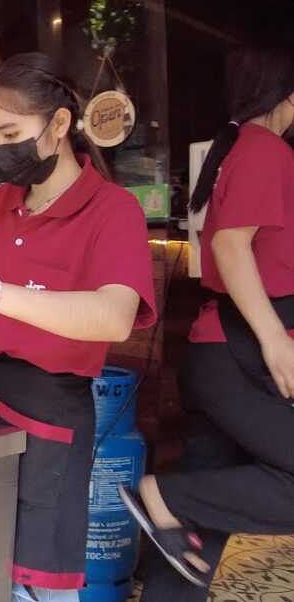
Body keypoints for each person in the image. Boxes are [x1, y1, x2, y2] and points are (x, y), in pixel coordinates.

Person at [0, 53, 157, 602]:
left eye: (11, 132)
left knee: (37, 580)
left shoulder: (113, 210)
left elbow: (112, 316)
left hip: (52, 409)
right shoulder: (6, 202)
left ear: (60, 125)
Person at [127, 45, 294, 598]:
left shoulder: (240, 149)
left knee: (193, 541)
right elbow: (229, 245)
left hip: (222, 353)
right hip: (239, 356)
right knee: (190, 503)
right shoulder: (266, 148)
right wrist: (274, 340)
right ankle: (167, 497)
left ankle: (175, 507)